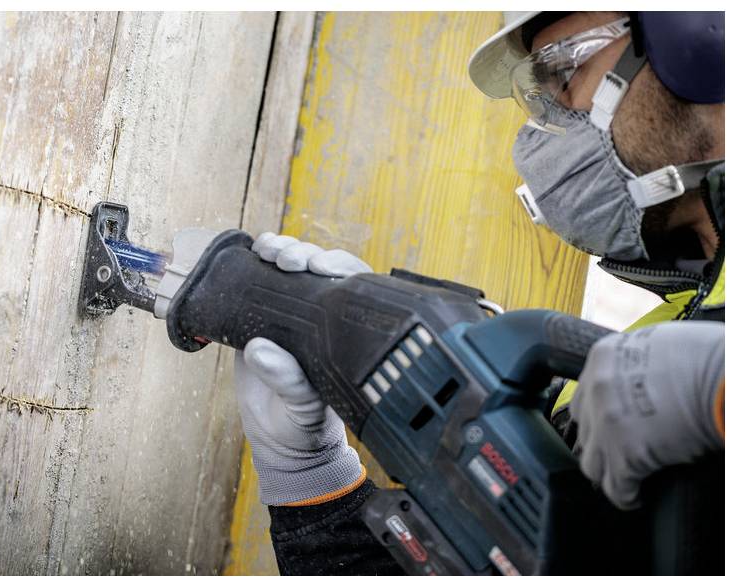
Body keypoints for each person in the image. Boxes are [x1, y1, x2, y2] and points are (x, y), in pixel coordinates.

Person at [233, 12, 725, 575]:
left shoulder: (696, 365)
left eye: (563, 71)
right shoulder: (674, 330)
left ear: (702, 38)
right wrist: (312, 480)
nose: (545, 127)